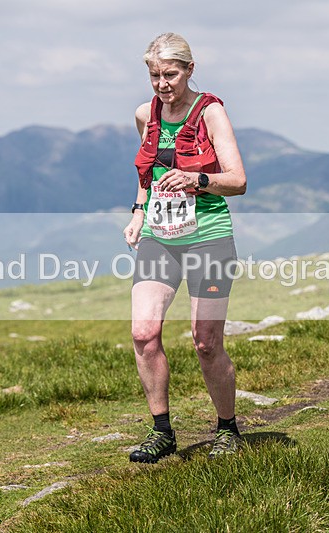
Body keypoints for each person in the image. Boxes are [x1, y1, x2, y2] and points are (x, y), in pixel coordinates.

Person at [123, 32, 247, 463]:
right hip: (161, 235)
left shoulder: (210, 112)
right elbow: (148, 172)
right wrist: (139, 211)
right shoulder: (146, 114)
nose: (162, 84)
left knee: (206, 341)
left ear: (189, 70)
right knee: (144, 333)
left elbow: (239, 181)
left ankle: (227, 428)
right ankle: (162, 432)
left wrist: (198, 180)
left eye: (170, 75)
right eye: (154, 75)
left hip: (209, 236)